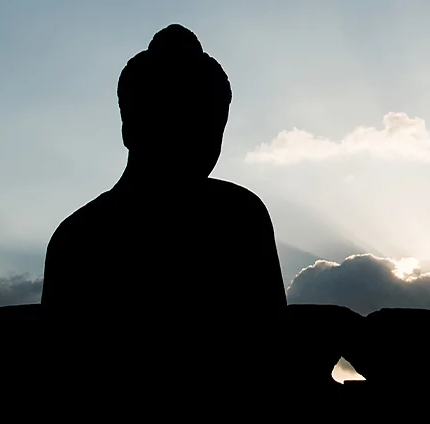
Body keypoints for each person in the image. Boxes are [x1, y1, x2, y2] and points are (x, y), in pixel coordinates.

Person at [41, 24, 286, 387]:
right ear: (130, 127)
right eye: (178, 121)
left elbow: (270, 344)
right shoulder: (80, 238)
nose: (199, 140)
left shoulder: (242, 215)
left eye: (210, 126)